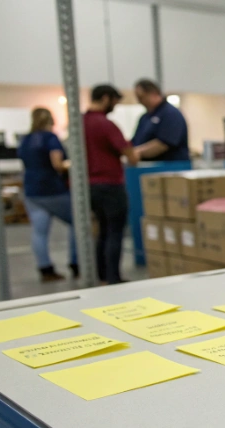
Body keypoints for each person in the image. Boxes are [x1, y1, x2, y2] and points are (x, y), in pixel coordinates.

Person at [84, 85, 138, 284]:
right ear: (106, 98)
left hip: (89, 187)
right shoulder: (105, 124)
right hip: (110, 185)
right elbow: (130, 155)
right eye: (115, 102)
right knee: (115, 232)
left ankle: (102, 276)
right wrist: (133, 153)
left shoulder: (80, 123)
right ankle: (113, 277)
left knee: (103, 231)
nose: (115, 106)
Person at [17, 108, 78, 282]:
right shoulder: (50, 138)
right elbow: (57, 163)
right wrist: (73, 165)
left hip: (32, 191)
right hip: (52, 190)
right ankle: (77, 263)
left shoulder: (25, 140)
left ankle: (45, 269)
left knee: (39, 232)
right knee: (78, 222)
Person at [131, 79, 190, 161]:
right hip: (146, 166)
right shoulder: (145, 117)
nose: (140, 101)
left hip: (169, 166)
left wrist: (137, 152)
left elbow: (164, 144)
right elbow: (135, 141)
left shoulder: (171, 114)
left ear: (154, 94)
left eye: (142, 97)